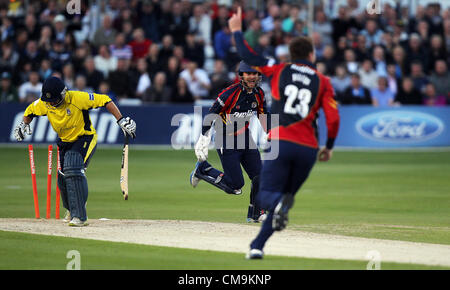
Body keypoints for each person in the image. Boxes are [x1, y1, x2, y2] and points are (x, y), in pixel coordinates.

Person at [228, 7, 340, 259]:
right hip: (308, 149)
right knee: (283, 200)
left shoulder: (279, 69)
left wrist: (236, 30)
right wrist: (329, 146)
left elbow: (248, 55)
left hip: (283, 142)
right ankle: (257, 246)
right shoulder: (323, 81)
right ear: (312, 54)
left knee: (268, 194)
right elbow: (333, 119)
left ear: (291, 55)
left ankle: (272, 215)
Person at [13, 76, 136, 227]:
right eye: (48, 101)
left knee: (73, 166)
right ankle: (72, 209)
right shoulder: (44, 104)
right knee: (62, 177)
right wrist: (23, 125)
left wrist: (121, 120)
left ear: (64, 93)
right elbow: (30, 111)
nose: (51, 103)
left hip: (84, 138)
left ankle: (79, 216)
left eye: (55, 100)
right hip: (64, 141)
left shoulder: (78, 98)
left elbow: (105, 100)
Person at [189, 61, 269, 223]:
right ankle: (203, 170)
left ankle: (257, 213)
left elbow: (263, 115)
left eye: (255, 73)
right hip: (225, 138)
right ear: (242, 76)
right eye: (249, 73)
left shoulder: (259, 94)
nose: (252, 77)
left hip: (245, 137)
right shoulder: (229, 94)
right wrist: (203, 137)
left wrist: (272, 134)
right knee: (235, 186)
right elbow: (211, 114)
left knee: (260, 176)